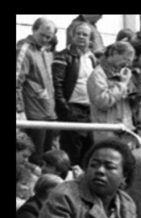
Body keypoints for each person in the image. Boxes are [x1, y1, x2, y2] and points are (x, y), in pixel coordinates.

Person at [52, 21, 98, 167]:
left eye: (85, 34)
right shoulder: (63, 56)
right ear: (72, 36)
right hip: (72, 109)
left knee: (88, 152)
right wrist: (64, 107)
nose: (81, 37)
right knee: (72, 154)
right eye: (78, 33)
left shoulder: (92, 58)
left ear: (90, 39)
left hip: (89, 110)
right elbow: (56, 84)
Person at [17, 18, 58, 164]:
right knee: (35, 159)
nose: (46, 39)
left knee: (48, 158)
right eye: (43, 35)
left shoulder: (46, 51)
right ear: (34, 30)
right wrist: (19, 110)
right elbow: (17, 80)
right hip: (33, 114)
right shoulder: (24, 49)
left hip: (48, 112)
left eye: (49, 37)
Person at [87, 42, 136, 137]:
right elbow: (103, 101)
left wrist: (136, 99)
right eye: (125, 59)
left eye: (130, 61)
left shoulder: (123, 72)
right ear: (114, 53)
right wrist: (122, 84)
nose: (127, 64)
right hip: (106, 130)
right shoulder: (98, 74)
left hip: (124, 128)